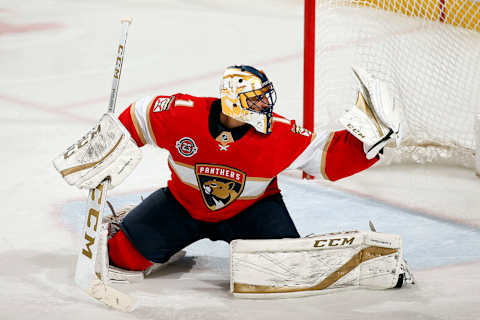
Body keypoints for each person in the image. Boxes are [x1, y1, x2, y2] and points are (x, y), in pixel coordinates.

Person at [99, 64, 401, 276]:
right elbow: (139, 116)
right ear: (233, 101)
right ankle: (136, 224)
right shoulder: (182, 114)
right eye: (256, 98)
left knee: (287, 270)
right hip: (182, 206)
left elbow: (328, 158)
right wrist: (107, 145)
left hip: (253, 212)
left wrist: (369, 142)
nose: (265, 104)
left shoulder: (279, 134)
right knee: (121, 257)